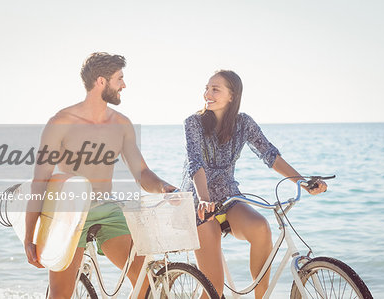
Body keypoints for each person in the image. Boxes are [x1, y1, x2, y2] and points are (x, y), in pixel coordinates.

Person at [25, 52, 177, 299]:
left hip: (107, 209)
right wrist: (29, 236)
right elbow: (40, 180)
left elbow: (141, 172)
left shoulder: (121, 124)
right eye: (119, 79)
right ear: (101, 82)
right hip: (69, 213)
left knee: (145, 280)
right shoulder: (61, 122)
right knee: (61, 294)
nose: (124, 85)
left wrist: (163, 187)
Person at [180, 70, 327, 298]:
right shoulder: (194, 123)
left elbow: (270, 155)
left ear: (232, 96)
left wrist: (304, 183)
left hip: (230, 199)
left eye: (215, 89)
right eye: (207, 88)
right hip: (199, 203)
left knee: (261, 228)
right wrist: (204, 198)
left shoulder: (243, 123)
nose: (207, 93)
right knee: (214, 290)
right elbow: (195, 164)